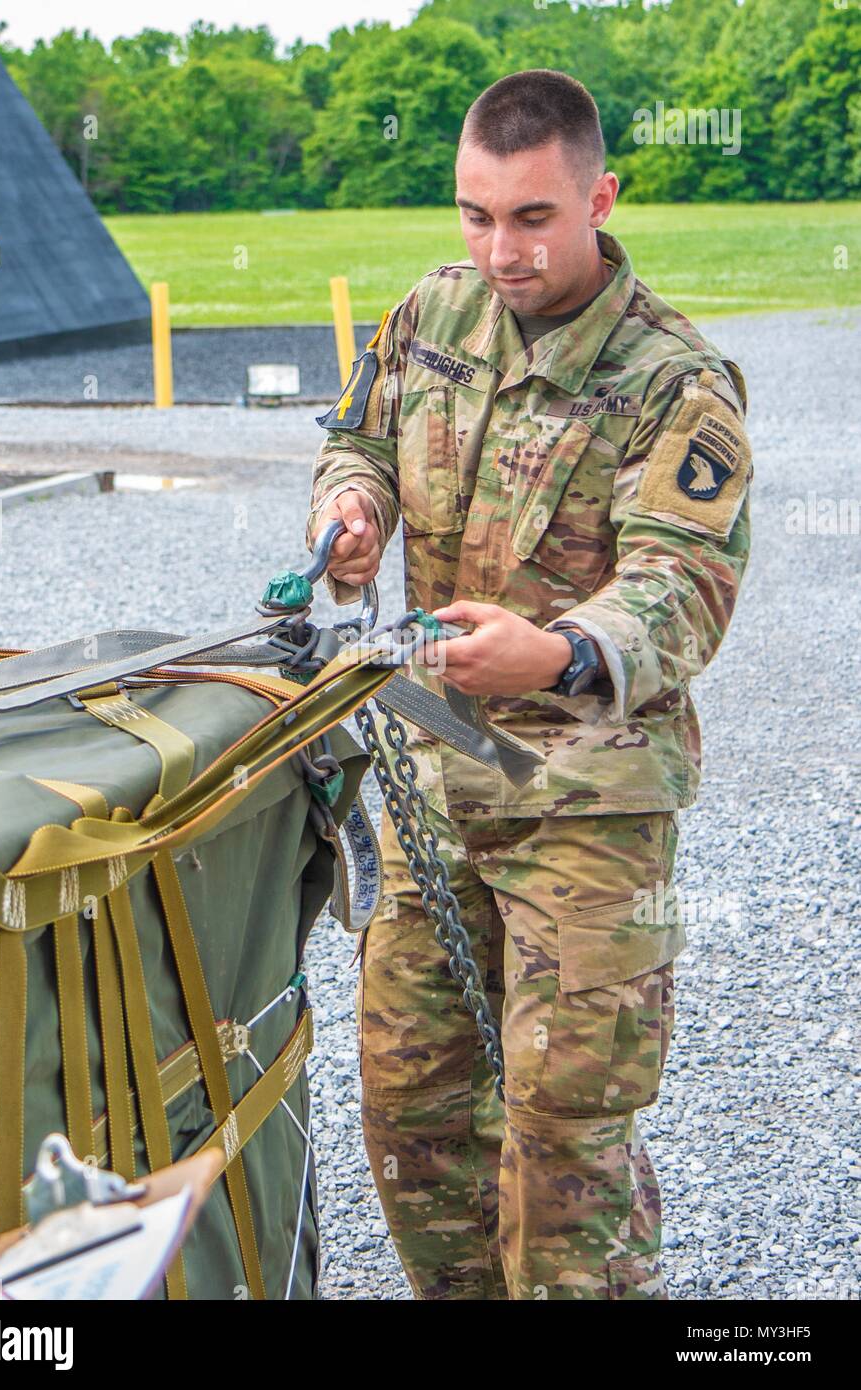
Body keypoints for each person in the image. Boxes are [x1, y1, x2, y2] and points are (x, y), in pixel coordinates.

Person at [306, 69, 752, 1301]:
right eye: (475, 214)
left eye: (533, 218)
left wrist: (554, 652)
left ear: (600, 197)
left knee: (565, 1154)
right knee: (415, 1121)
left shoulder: (677, 382)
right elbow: (357, 440)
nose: (500, 250)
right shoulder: (431, 315)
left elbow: (684, 584)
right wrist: (350, 511)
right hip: (439, 779)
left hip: (588, 812)